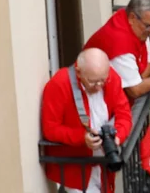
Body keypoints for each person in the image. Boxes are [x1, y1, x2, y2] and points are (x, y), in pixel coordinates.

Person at [40, 48, 133, 193]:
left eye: (103, 80)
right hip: (77, 167)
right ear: (78, 72)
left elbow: (124, 114)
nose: (99, 86)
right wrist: (82, 138)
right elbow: (50, 128)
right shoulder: (59, 84)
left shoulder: (110, 77)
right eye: (93, 82)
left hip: (103, 166)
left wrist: (118, 137)